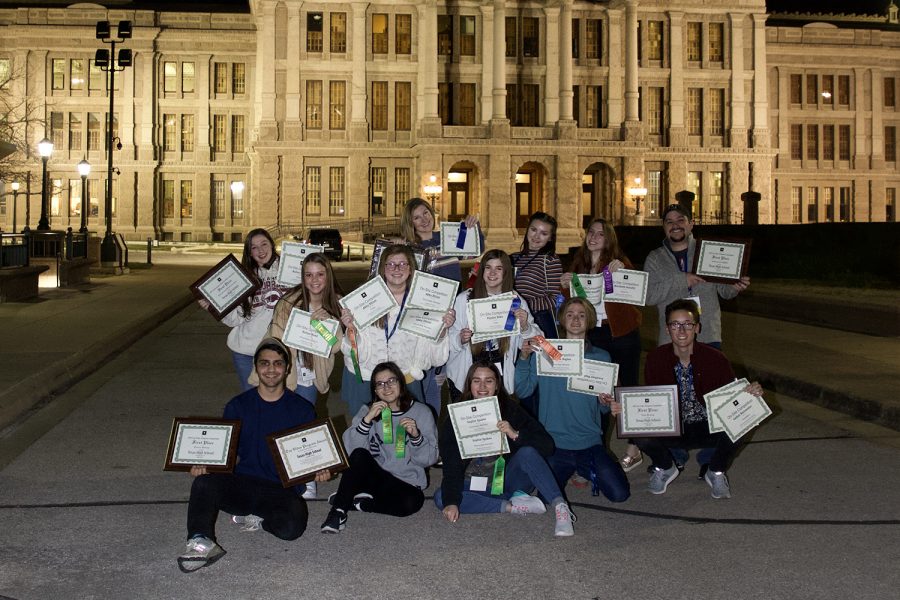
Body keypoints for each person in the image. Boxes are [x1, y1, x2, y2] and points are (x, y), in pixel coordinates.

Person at [177, 338, 323, 573]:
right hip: (244, 484)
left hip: (281, 489)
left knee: (291, 530)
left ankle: (257, 516)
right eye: (264, 363)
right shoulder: (238, 406)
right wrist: (203, 464)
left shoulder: (302, 409)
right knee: (204, 483)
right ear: (256, 367)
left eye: (277, 363)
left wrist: (321, 470)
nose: (271, 369)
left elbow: (313, 455)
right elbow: (222, 454)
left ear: (287, 368)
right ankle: (200, 540)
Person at [641, 203, 751, 473]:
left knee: (713, 400)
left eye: (681, 220)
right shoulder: (655, 258)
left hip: (707, 335)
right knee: (673, 401)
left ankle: (711, 459)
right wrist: (684, 280)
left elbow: (724, 292)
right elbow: (648, 295)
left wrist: (735, 286)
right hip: (671, 341)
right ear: (664, 227)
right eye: (669, 221)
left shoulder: (709, 252)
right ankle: (674, 452)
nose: (675, 224)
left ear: (691, 224)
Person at [633, 299, 764, 499]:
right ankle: (665, 467)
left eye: (688, 324)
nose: (682, 330)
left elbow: (733, 393)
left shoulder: (715, 357)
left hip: (708, 424)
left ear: (697, 328)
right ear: (667, 329)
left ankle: (716, 470)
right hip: (675, 426)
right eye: (675, 324)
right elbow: (652, 398)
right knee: (635, 427)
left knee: (744, 421)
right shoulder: (655, 358)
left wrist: (750, 392)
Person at [435, 362, 577, 537]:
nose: (482, 387)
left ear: (497, 385)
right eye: (476, 381)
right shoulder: (457, 414)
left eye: (489, 381)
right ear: (469, 385)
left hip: (506, 481)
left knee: (528, 453)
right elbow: (451, 463)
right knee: (442, 497)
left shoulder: (510, 409)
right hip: (470, 484)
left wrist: (515, 434)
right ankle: (511, 506)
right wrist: (451, 501)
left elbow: (547, 446)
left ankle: (561, 508)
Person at [515, 297, 630, 505]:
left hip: (589, 442)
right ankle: (569, 471)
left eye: (582, 315)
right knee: (544, 498)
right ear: (561, 319)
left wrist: (606, 403)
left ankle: (581, 470)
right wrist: (523, 358)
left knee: (619, 494)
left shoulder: (602, 357)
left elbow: (603, 410)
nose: (575, 319)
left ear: (590, 320)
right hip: (554, 443)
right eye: (570, 314)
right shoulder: (546, 351)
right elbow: (523, 391)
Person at [562, 219, 644, 474]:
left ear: (609, 239)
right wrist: (564, 285)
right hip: (593, 334)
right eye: (591, 233)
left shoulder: (618, 263)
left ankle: (634, 447)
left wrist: (623, 272)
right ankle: (597, 448)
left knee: (626, 390)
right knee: (598, 391)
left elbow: (635, 293)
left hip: (621, 333)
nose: (594, 237)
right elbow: (570, 303)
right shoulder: (579, 264)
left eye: (600, 234)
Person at [321, 362, 439, 533]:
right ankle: (338, 511)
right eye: (380, 384)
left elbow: (429, 459)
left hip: (406, 483)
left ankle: (360, 502)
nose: (387, 387)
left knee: (413, 503)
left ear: (401, 383)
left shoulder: (421, 412)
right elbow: (350, 454)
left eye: (392, 381)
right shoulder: (368, 411)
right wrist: (367, 420)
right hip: (375, 477)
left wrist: (416, 437)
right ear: (375, 390)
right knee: (360, 454)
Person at [340, 244, 455, 418]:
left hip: (406, 383)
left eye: (402, 264)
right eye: (391, 264)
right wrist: (351, 330)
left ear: (411, 268)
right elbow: (355, 353)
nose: (396, 269)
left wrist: (442, 330)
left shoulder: (424, 301)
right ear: (383, 268)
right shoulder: (367, 299)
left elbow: (433, 356)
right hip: (368, 381)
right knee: (366, 436)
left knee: (407, 438)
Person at [265, 252, 343, 500]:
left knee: (304, 427)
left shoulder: (337, 303)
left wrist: (325, 323)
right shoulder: (289, 302)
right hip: (287, 373)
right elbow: (273, 337)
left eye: (320, 274)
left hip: (311, 376)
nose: (314, 280)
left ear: (327, 275)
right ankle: (278, 473)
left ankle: (307, 478)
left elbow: (336, 345)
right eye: (309, 275)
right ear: (303, 277)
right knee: (280, 425)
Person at [398, 198, 483, 418]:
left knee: (440, 379)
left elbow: (474, 251)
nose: (424, 219)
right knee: (422, 379)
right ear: (410, 222)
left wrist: (472, 229)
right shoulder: (408, 249)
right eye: (417, 217)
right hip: (423, 321)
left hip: (451, 317)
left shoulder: (447, 238)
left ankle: (435, 435)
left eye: (426, 213)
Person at [197, 229, 290, 390]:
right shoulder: (241, 277)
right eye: (254, 247)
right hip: (247, 351)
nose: (260, 250)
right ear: (249, 252)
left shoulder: (290, 271)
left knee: (280, 403)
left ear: (272, 245)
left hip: (280, 350)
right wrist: (215, 306)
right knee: (252, 403)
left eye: (264, 244)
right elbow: (236, 318)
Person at [446, 249, 541, 402]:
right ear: (482, 270)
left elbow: (538, 340)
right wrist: (460, 339)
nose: (492, 273)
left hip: (500, 368)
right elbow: (447, 339)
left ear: (506, 272)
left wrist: (525, 326)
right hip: (466, 369)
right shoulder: (464, 299)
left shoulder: (516, 301)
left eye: (498, 268)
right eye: (488, 267)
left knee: (496, 420)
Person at [511, 211, 562, 340]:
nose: (536, 236)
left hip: (539, 320)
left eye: (544, 233)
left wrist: (524, 306)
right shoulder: (512, 258)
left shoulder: (550, 260)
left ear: (550, 238)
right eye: (534, 230)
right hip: (511, 320)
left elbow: (554, 298)